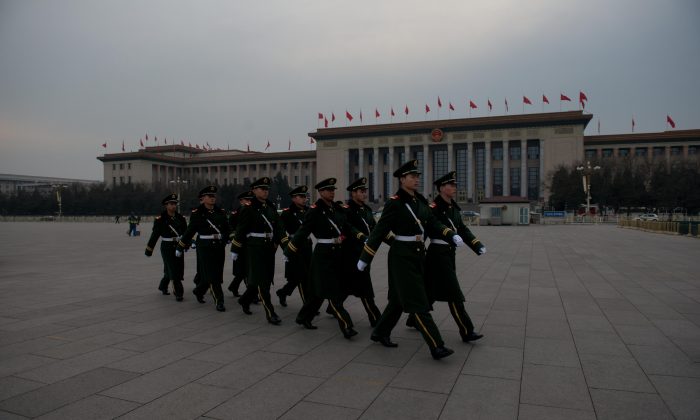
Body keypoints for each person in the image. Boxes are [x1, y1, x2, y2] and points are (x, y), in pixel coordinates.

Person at [357, 160, 464, 360]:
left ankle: (380, 332)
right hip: (401, 257)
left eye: (417, 176)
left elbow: (433, 222)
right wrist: (366, 257)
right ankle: (436, 345)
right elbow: (379, 231)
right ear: (402, 179)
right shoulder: (395, 202)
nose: (416, 179)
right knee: (417, 302)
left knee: (398, 300)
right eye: (412, 176)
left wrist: (450, 234)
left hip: (418, 255)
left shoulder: (420, 201)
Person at [285, 178, 362, 338]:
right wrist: (289, 249)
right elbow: (303, 231)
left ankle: (303, 317)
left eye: (333, 189)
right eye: (328, 190)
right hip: (323, 255)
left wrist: (359, 235)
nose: (332, 192)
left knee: (316, 293)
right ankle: (346, 325)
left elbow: (346, 227)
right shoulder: (314, 210)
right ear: (320, 192)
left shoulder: (337, 209)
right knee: (333, 292)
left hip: (337, 253)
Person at [423, 171, 485, 342]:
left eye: (455, 185)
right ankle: (466, 330)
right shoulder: (433, 209)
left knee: (430, 291)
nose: (454, 188)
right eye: (451, 185)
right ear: (442, 188)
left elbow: (463, 229)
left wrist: (476, 244)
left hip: (449, 254)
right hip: (437, 254)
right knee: (453, 293)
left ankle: (414, 318)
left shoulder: (454, 208)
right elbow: (430, 228)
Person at [230, 177, 287, 325]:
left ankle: (244, 300)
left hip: (268, 248)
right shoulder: (248, 208)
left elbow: (279, 228)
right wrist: (235, 248)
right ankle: (270, 312)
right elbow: (241, 230)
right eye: (262, 189)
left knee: (263, 279)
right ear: (254, 190)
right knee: (262, 282)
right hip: (254, 248)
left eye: (267, 189)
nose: (265, 191)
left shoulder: (270, 207)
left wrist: (286, 246)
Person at [342, 177, 389, 327]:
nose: (364, 194)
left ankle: (332, 306)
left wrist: (392, 241)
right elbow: (348, 227)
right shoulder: (347, 210)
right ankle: (375, 317)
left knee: (347, 285)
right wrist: (362, 236)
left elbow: (377, 229)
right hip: (352, 254)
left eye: (365, 191)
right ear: (353, 193)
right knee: (364, 287)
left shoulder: (367, 210)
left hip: (365, 253)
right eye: (361, 191)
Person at [176, 186, 230, 312]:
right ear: (203, 198)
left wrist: (226, 238)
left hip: (218, 246)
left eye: (213, 196)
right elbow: (190, 231)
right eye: (209, 196)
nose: (212, 198)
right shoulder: (197, 213)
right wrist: (181, 246)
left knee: (214, 273)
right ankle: (219, 301)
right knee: (212, 275)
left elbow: (227, 228)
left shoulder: (220, 212)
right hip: (204, 246)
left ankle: (198, 290)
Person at [145, 193, 187, 301]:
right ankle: (178, 292)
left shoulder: (180, 218)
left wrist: (187, 244)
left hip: (178, 246)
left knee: (175, 268)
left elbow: (186, 233)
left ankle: (163, 286)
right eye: (171, 204)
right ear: (166, 205)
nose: (173, 206)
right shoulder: (160, 219)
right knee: (173, 269)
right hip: (167, 247)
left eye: (175, 204)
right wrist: (149, 250)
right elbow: (155, 235)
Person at [276, 185, 312, 307]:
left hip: (307, 246)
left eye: (305, 196)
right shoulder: (287, 213)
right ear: (293, 198)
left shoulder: (309, 211)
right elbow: (280, 231)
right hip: (294, 247)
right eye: (301, 197)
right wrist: (286, 247)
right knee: (302, 277)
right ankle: (308, 305)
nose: (304, 199)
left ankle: (283, 292)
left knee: (297, 277)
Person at [227, 190, 253, 297]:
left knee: (247, 270)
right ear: (241, 201)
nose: (249, 202)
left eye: (250, 200)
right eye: (247, 200)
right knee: (242, 271)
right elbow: (230, 228)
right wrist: (234, 239)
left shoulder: (253, 211)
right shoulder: (235, 214)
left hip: (250, 244)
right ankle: (251, 295)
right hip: (239, 244)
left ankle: (236, 288)